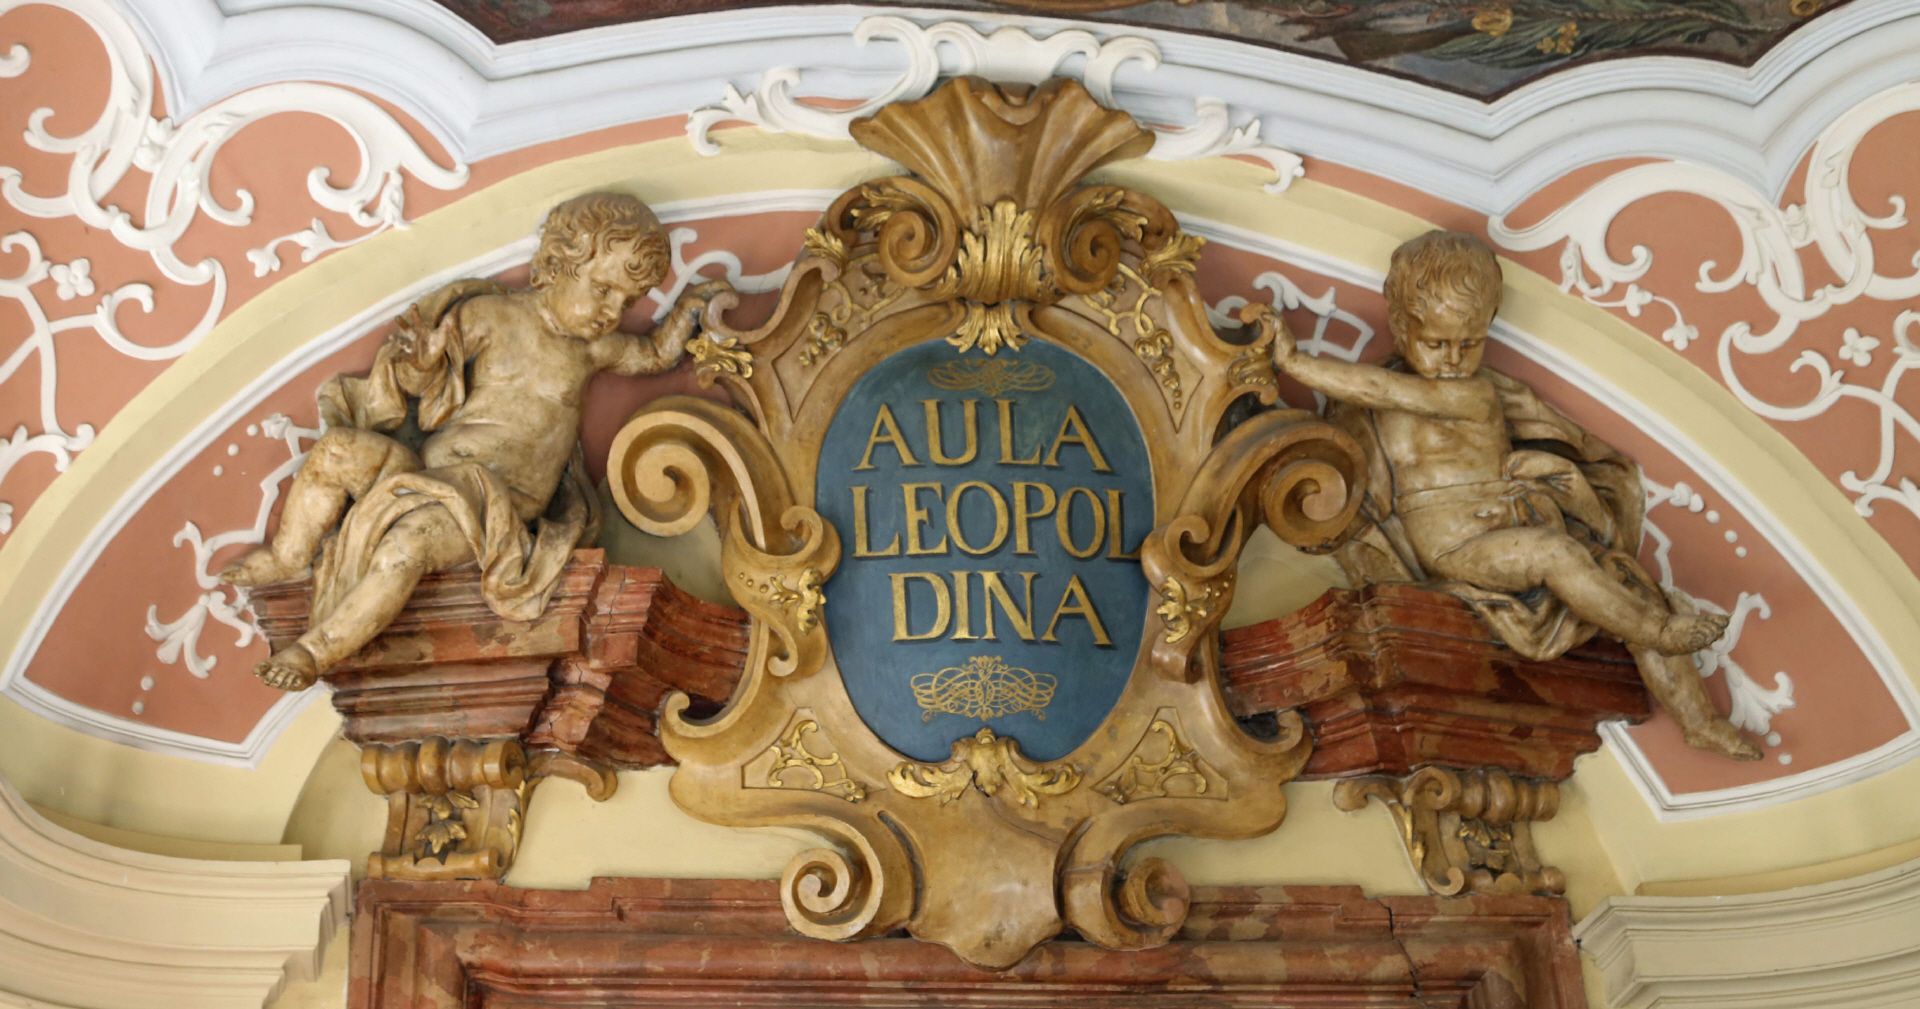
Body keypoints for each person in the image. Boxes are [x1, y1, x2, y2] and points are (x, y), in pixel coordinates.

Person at [1266, 229, 1759, 760]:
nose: (1453, 360)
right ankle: (1658, 630)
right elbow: (1376, 388)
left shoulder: (1476, 394)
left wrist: (1295, 363)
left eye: (1470, 343)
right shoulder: (1379, 400)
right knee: (1555, 555)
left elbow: (1381, 390)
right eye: (1436, 343)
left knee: (1618, 579)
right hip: (1454, 547)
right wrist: (1292, 364)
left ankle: (1698, 717)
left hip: (1506, 528)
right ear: (1402, 327)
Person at [221, 192, 729, 691]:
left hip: (493, 505)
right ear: (556, 264)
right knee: (336, 450)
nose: (612, 311)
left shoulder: (594, 349)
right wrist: (419, 361)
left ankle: (316, 650)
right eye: (602, 289)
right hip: (425, 471)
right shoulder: (489, 315)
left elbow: (654, 355)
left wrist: (689, 309)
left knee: (407, 546)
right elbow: (424, 381)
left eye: (628, 301)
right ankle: (289, 555)